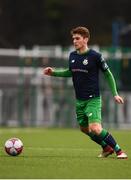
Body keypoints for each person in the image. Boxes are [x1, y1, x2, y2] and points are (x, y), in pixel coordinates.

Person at [43, 26, 128, 159]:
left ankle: (119, 151)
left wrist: (115, 93)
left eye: (77, 38)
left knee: (95, 128)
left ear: (85, 39)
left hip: (92, 99)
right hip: (79, 100)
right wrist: (53, 73)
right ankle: (106, 148)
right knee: (84, 129)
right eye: (73, 39)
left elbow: (108, 74)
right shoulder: (72, 56)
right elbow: (71, 72)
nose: (74, 41)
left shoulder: (95, 56)